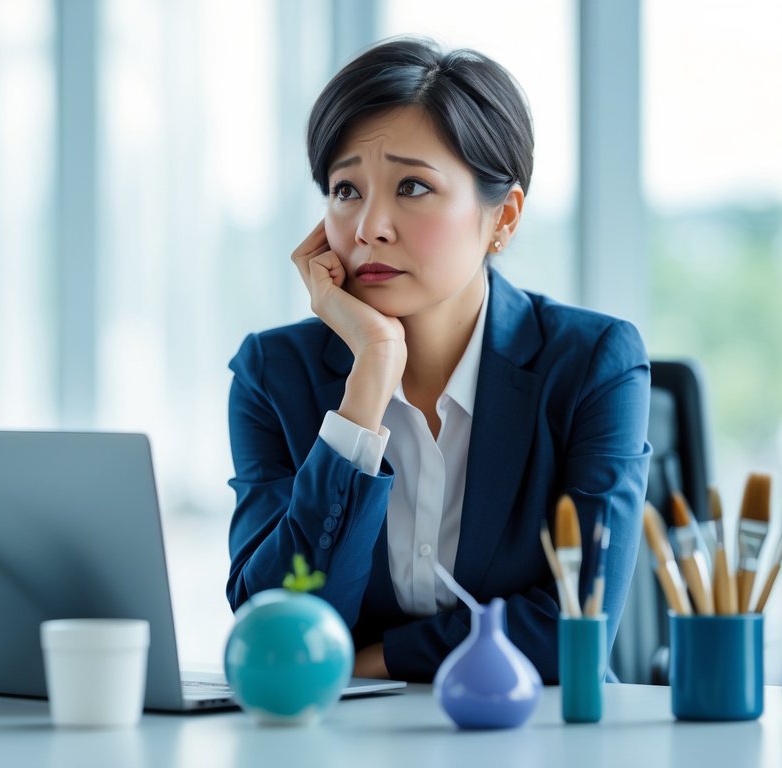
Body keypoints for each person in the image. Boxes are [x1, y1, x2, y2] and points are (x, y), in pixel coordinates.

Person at [225, 37, 651, 683]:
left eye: (413, 187)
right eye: (345, 189)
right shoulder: (272, 374)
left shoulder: (592, 362)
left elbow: (576, 624)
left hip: (540, 734)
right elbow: (274, 623)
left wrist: (382, 661)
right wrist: (367, 381)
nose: (370, 225)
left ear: (501, 217)